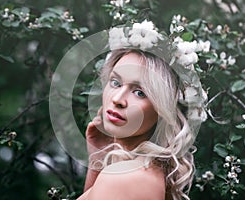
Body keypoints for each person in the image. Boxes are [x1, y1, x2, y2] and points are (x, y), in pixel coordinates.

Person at [77, 21, 207, 200]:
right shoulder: (144, 173)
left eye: (139, 93)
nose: (117, 99)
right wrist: (98, 159)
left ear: (163, 110)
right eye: (115, 82)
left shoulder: (124, 178)